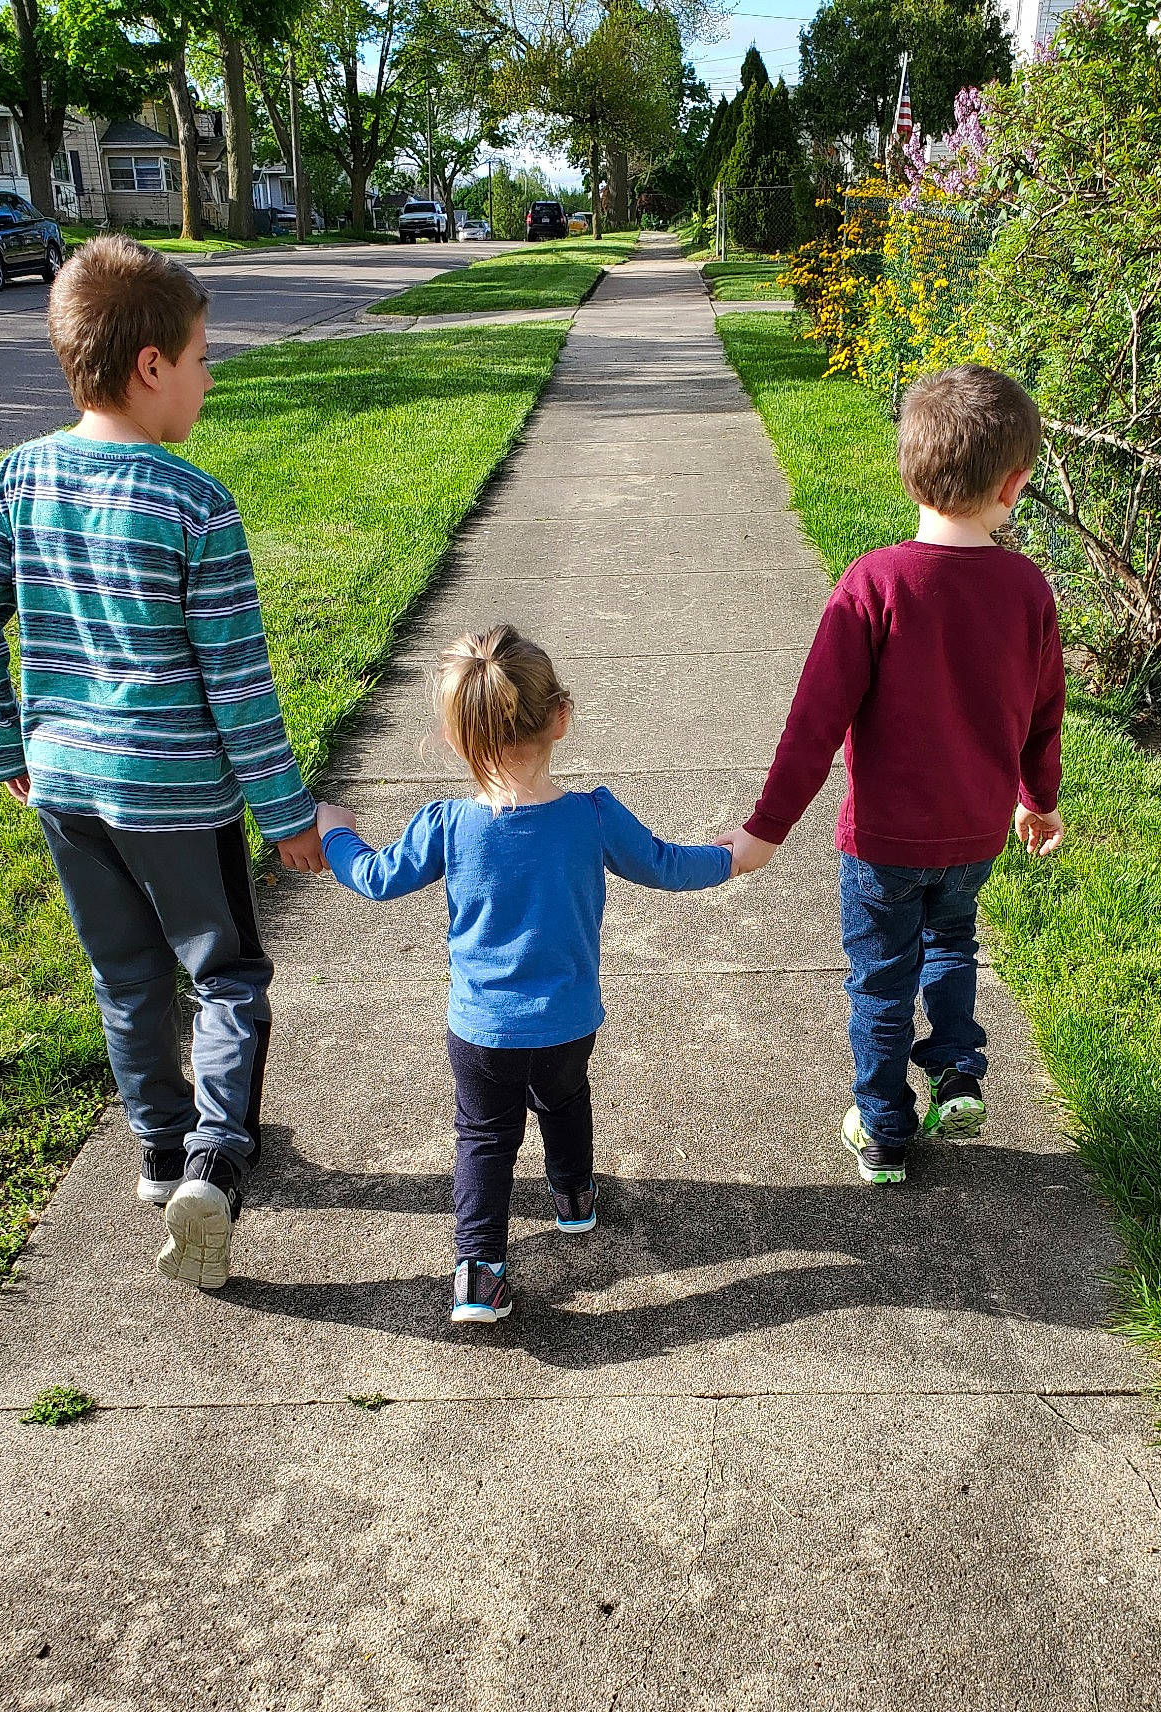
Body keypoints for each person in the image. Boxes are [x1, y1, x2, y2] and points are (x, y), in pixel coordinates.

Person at [0, 234, 325, 1291]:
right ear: (151, 365)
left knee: (125, 978)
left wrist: (4, 740)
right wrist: (289, 813)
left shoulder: (17, 478)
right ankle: (214, 1159)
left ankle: (159, 1155)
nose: (208, 376)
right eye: (203, 357)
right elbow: (241, 688)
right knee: (229, 976)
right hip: (180, 798)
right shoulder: (196, 504)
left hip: (66, 786)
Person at [316, 625, 732, 1325]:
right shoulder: (594, 816)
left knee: (484, 1136)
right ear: (561, 717)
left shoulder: (446, 824)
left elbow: (375, 878)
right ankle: (571, 1199)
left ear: (456, 739)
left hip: (479, 1029)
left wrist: (334, 829)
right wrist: (729, 857)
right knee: (564, 1101)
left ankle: (478, 1275)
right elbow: (665, 864)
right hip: (568, 1020)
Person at [720, 364, 1067, 1186]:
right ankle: (957, 1075)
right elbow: (1045, 709)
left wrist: (766, 829)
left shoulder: (875, 583)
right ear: (1016, 482)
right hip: (975, 831)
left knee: (880, 979)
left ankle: (884, 1133)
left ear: (908, 468)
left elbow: (814, 724)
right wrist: (1037, 801)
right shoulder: (1027, 589)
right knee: (952, 942)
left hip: (881, 845)